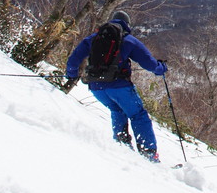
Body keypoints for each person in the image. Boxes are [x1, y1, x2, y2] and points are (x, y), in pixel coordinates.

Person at [65, 10, 167, 161]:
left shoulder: (94, 38)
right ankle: (149, 154)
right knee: (138, 115)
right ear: (127, 24)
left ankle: (122, 147)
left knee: (117, 110)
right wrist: (161, 68)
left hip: (96, 87)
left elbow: (74, 59)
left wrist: (72, 74)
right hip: (119, 86)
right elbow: (149, 63)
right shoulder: (129, 40)